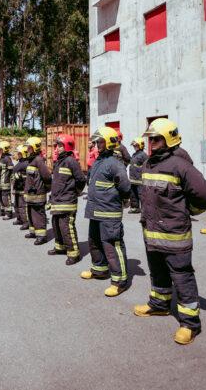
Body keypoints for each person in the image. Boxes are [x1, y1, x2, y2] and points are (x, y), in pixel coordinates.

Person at [133, 118, 206, 345]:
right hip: (152, 234)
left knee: (182, 277)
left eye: (156, 139)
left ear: (169, 139)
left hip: (175, 236)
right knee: (157, 272)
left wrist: (187, 212)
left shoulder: (180, 164)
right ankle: (159, 305)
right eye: (150, 139)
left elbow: (204, 196)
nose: (152, 143)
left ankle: (190, 323)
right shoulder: (149, 163)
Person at [80, 126, 131, 297]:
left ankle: (120, 280)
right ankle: (99, 269)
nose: (97, 145)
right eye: (96, 142)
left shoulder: (115, 163)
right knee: (94, 241)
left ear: (109, 142)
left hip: (109, 212)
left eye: (100, 141)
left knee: (112, 245)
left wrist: (122, 200)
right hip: (95, 210)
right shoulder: (99, 161)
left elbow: (125, 186)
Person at [48, 134, 86, 265]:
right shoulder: (59, 161)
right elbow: (56, 182)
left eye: (60, 146)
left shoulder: (71, 161)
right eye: (57, 146)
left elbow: (81, 180)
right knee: (56, 225)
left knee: (66, 227)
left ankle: (73, 253)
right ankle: (60, 247)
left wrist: (74, 193)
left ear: (67, 146)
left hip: (67, 202)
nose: (57, 148)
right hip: (57, 201)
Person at [23, 136, 52, 245]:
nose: (27, 149)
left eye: (29, 147)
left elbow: (47, 177)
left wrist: (45, 189)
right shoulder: (31, 159)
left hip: (38, 194)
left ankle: (42, 236)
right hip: (30, 194)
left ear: (35, 148)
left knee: (38, 214)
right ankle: (33, 231)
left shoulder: (39, 160)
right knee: (30, 213)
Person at [128, 138, 147, 214]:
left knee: (141, 195)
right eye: (134, 146)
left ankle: (144, 209)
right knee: (133, 195)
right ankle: (135, 208)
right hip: (133, 179)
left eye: (136, 145)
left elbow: (147, 166)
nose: (134, 147)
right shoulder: (134, 154)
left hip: (140, 179)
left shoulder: (144, 155)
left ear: (140, 146)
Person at [12, 145, 30, 229]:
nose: (17, 154)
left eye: (18, 153)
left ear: (22, 154)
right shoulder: (21, 162)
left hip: (22, 188)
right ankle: (19, 219)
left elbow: (14, 169)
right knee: (16, 204)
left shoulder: (24, 163)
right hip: (18, 186)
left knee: (22, 206)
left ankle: (26, 222)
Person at [0, 141, 14, 220]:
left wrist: (10, 180)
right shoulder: (2, 158)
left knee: (6, 197)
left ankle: (8, 213)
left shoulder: (7, 159)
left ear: (4, 149)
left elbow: (11, 170)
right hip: (0, 181)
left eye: (0, 149)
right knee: (0, 196)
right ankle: (2, 210)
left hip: (5, 182)